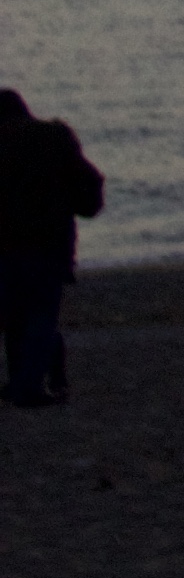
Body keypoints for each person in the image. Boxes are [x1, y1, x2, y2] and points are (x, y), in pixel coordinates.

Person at [0, 87, 104, 408]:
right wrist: (83, 205)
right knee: (39, 315)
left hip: (6, 248)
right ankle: (29, 382)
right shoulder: (54, 137)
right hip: (48, 245)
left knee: (17, 317)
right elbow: (88, 185)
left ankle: (25, 382)